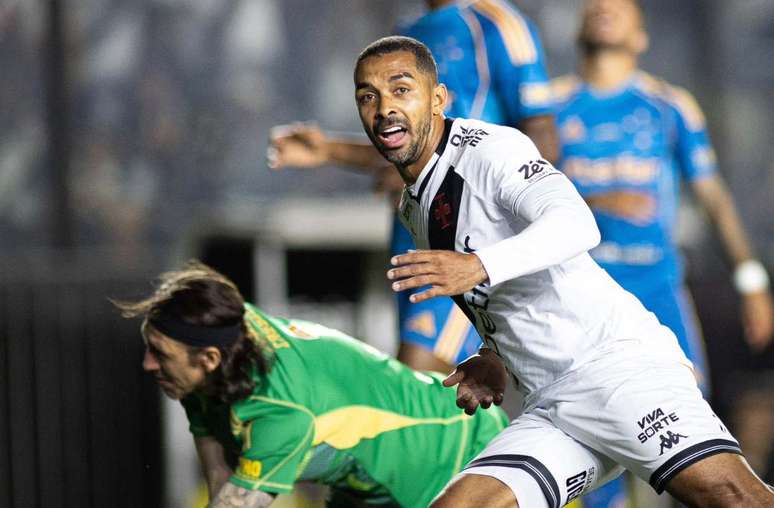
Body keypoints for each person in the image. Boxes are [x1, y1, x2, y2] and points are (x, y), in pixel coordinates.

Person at [351, 35, 774, 507]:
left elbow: (575, 223)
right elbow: (497, 290)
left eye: (400, 89)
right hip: (551, 406)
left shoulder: (491, 149)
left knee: (737, 500)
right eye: (368, 96)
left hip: (616, 371)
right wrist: (495, 355)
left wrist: (477, 265)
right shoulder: (415, 204)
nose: (384, 107)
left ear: (437, 98)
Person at [267, 0, 558, 374]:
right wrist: (328, 150)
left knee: (417, 385)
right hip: (414, 235)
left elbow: (541, 138)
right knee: (448, 407)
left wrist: (506, 235)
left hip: (466, 238)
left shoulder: (497, 24)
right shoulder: (408, 32)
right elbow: (413, 145)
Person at [115, 261, 509, 508]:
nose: (148, 364)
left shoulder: (282, 412)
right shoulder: (225, 334)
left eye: (160, 354)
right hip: (376, 486)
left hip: (457, 457)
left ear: (209, 360)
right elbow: (217, 470)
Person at [552, 0, 773, 393]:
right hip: (575, 290)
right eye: (596, 7)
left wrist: (752, 282)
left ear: (641, 37)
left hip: (656, 286)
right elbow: (516, 196)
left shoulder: (670, 106)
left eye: (619, 8)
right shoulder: (546, 108)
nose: (605, 8)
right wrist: (596, 202)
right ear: (578, 30)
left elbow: (714, 199)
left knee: (688, 407)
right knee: (579, 414)